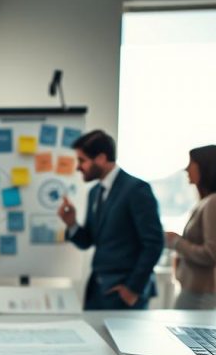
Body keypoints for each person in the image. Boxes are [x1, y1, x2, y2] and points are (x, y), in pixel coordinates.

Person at [57, 130, 164, 310]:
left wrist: (132, 289)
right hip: (97, 291)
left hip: (124, 294)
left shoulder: (136, 190)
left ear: (100, 158)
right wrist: (72, 224)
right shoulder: (94, 193)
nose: (77, 167)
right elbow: (89, 240)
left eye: (82, 160)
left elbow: (154, 243)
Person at [166, 144, 216, 310]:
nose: (186, 169)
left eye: (191, 163)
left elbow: (212, 255)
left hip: (201, 291)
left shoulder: (214, 202)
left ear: (205, 167)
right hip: (199, 289)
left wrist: (176, 242)